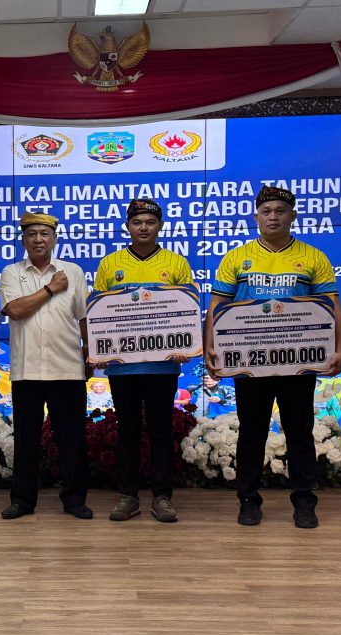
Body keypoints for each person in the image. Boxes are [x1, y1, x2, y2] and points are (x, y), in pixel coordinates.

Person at [204, 186, 341, 529]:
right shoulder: (237, 258)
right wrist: (211, 346)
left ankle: (304, 502)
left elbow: (332, 306)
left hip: (297, 362)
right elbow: (217, 306)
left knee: (300, 432)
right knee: (251, 432)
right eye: (266, 211)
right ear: (256, 217)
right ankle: (248, 501)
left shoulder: (313, 257)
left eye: (280, 211)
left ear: (292, 216)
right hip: (250, 363)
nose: (273, 217)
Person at [93, 199, 196, 524]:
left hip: (163, 365)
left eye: (150, 222)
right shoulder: (110, 264)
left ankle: (162, 497)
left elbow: (187, 309)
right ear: (127, 226)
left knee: (161, 430)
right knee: (127, 430)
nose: (143, 227)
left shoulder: (176, 263)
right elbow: (98, 312)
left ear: (160, 226)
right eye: (137, 222)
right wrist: (98, 349)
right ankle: (128, 496)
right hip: (122, 366)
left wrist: (186, 344)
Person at [0, 211, 92, 520]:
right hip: (26, 369)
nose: (38, 239)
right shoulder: (12, 273)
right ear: (23, 240)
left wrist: (89, 351)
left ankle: (74, 500)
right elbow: (15, 310)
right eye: (32, 234)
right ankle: (22, 501)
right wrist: (51, 288)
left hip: (67, 367)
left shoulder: (73, 271)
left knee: (72, 439)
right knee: (26, 439)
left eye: (44, 234)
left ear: (54, 239)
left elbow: (83, 317)